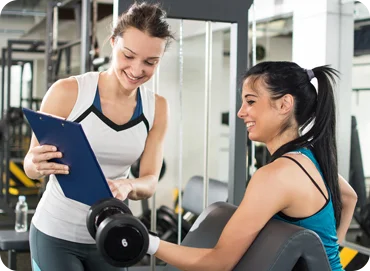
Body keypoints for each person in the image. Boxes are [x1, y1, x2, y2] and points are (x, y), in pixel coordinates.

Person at [146, 61, 358, 271]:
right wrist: (324, 256)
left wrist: (149, 243)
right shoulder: (309, 158)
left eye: (251, 101)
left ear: (284, 105)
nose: (240, 112)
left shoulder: (276, 175)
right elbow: (349, 197)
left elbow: (219, 262)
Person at [23, 2, 174, 271]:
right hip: (55, 232)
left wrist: (129, 186)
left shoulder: (157, 108)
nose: (138, 70)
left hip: (113, 233)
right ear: (113, 42)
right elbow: (31, 168)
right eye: (128, 56)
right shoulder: (68, 92)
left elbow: (150, 181)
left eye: (151, 62)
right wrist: (36, 164)